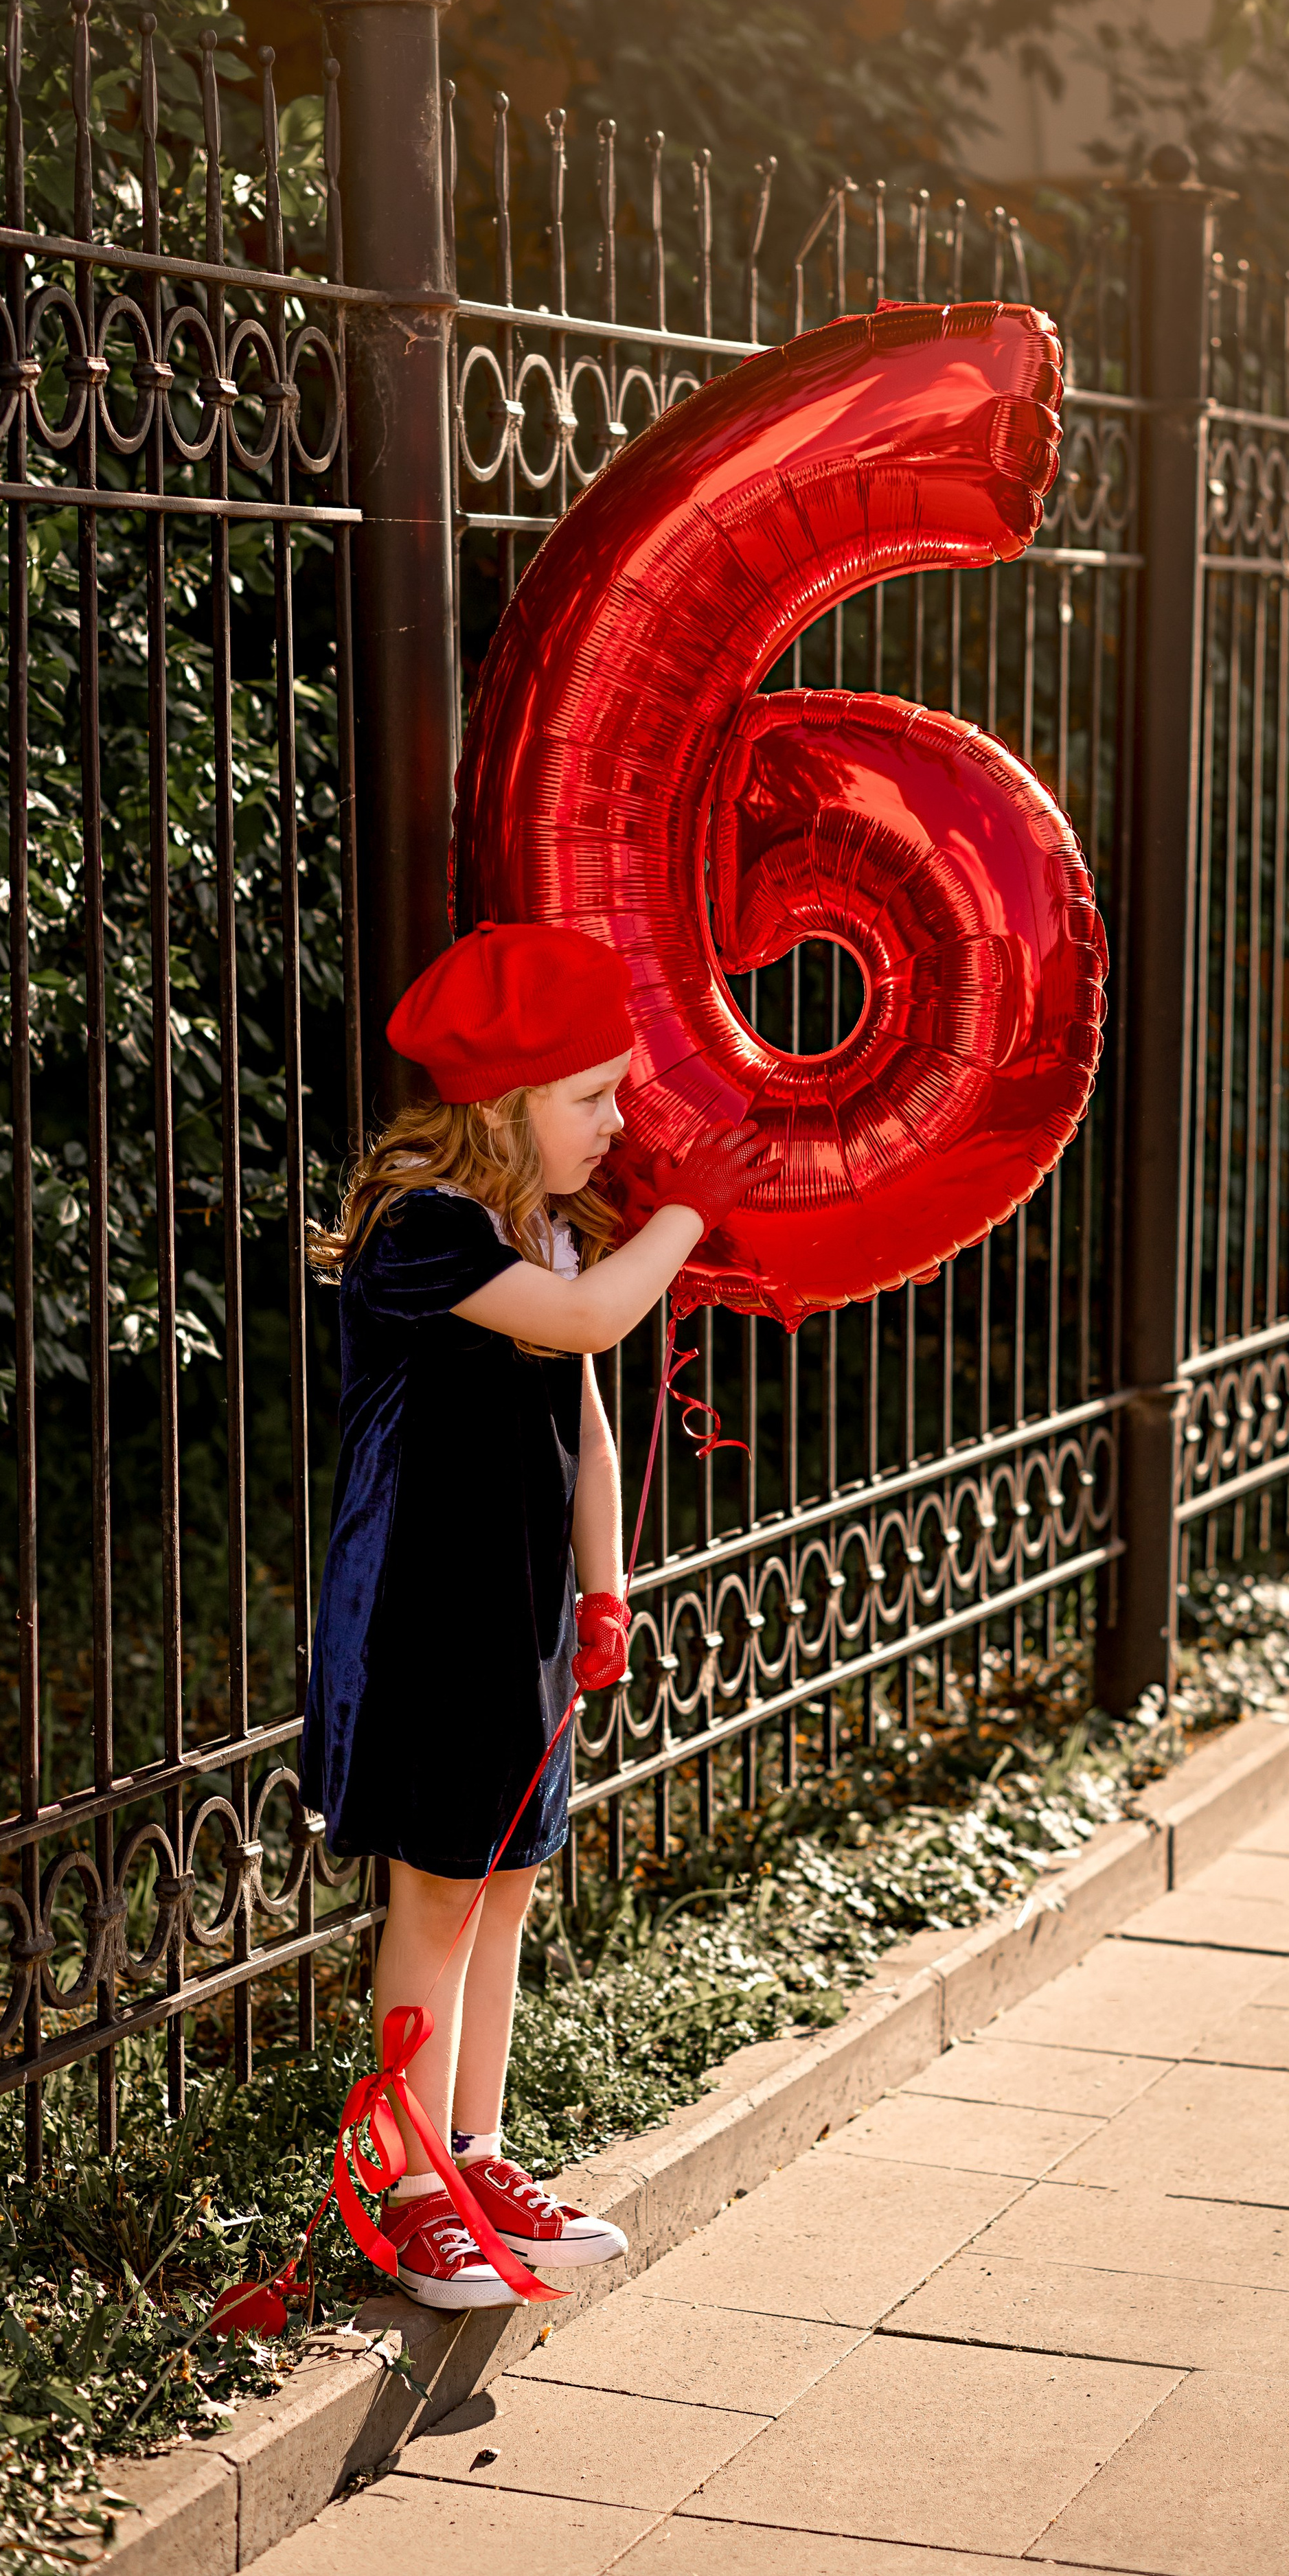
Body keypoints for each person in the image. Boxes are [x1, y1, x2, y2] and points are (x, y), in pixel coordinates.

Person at [302, 921, 776, 2309]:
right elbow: (585, 1330)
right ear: (503, 1107)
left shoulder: (539, 1227)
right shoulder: (423, 1234)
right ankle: (400, 2196)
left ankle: (472, 2150)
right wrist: (690, 1216)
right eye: (592, 1099)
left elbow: (583, 1412)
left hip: (516, 1617)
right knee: (438, 1894)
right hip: (425, 1621)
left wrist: (605, 1585)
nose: (615, 1123)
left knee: (504, 1887)